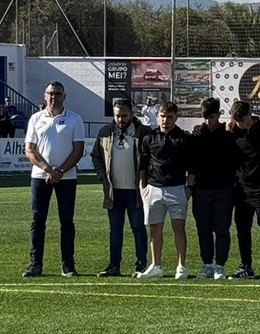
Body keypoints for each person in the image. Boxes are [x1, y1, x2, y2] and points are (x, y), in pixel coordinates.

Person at [23, 81, 86, 278]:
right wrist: (48, 169)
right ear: (45, 95)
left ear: (64, 96)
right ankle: (35, 264)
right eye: (50, 93)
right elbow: (30, 150)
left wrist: (61, 171)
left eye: (58, 94)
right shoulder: (36, 119)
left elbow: (78, 150)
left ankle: (68, 265)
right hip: (40, 177)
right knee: (38, 220)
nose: (53, 97)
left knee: (67, 221)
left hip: (67, 177)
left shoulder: (74, 119)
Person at [90, 97, 148, 278]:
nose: (120, 119)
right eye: (117, 116)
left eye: (124, 115)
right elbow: (96, 156)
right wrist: (102, 177)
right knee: (115, 229)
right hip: (113, 191)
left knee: (138, 228)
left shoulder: (143, 132)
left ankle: (141, 265)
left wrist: (145, 181)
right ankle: (114, 265)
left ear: (131, 114)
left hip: (136, 191)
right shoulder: (105, 132)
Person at [136, 101, 193, 280]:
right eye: (162, 116)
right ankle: (156, 266)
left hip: (177, 188)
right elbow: (143, 165)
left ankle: (181, 266)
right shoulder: (149, 138)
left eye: (169, 117)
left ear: (176, 117)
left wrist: (189, 188)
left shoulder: (184, 139)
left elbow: (192, 166)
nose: (165, 120)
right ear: (157, 116)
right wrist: (142, 187)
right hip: (153, 188)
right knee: (155, 229)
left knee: (179, 227)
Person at [228, 99, 260, 280]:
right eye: (236, 120)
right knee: (242, 228)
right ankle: (246, 266)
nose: (239, 124)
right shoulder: (233, 131)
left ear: (250, 114)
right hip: (241, 188)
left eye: (242, 120)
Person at [188, 98, 238, 279]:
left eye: (211, 117)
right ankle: (207, 264)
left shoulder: (228, 136)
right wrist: (191, 186)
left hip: (224, 189)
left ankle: (220, 266)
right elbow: (192, 162)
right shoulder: (197, 135)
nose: (208, 121)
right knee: (203, 229)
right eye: (205, 117)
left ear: (218, 115)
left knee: (222, 229)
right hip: (201, 190)